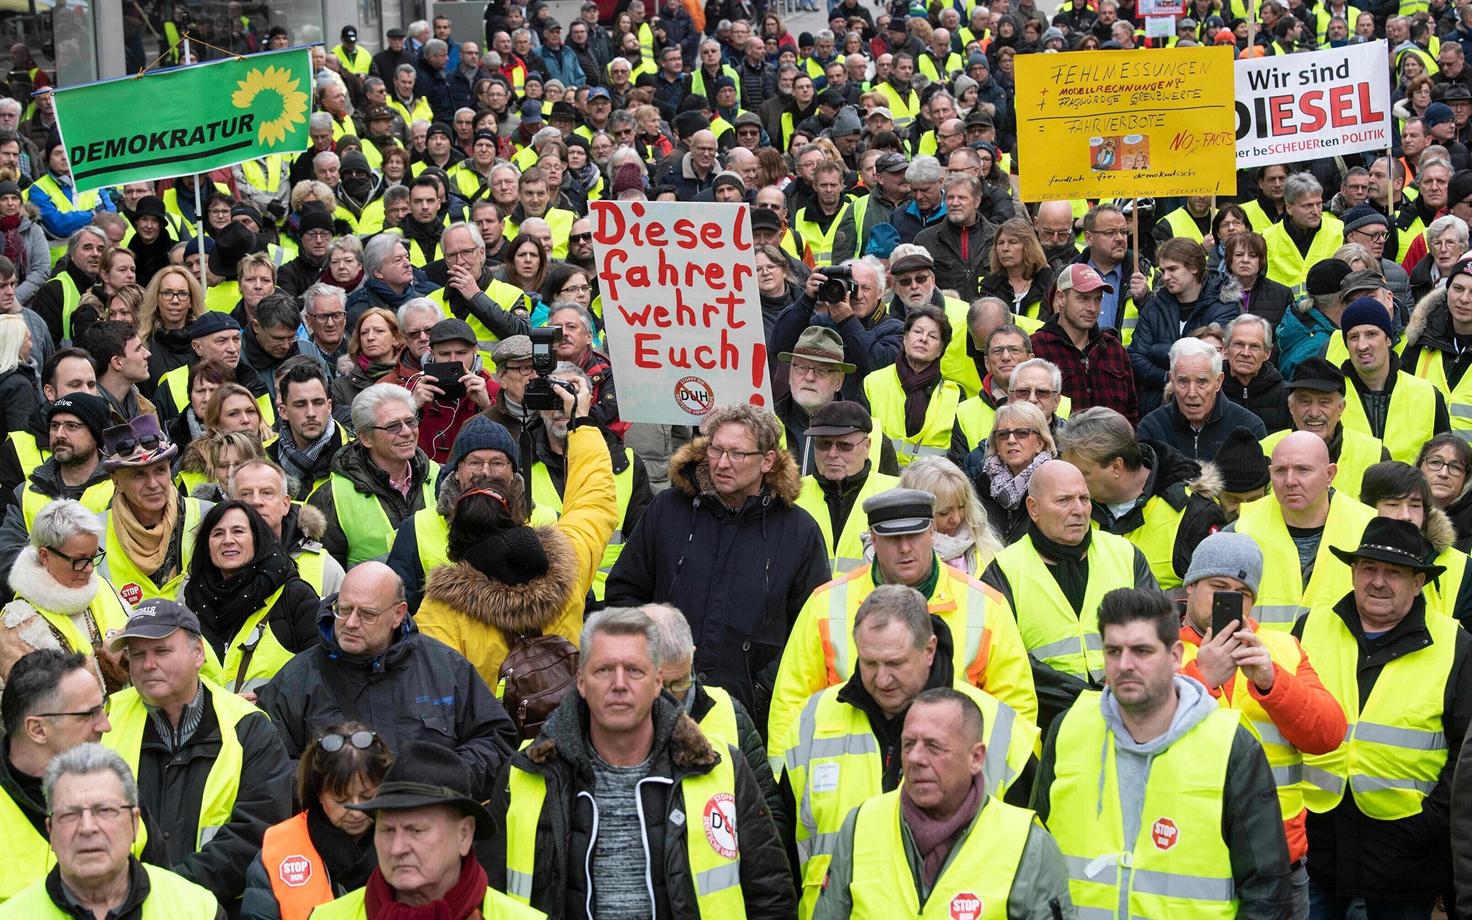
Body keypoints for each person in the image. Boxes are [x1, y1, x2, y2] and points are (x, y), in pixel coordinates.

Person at [487, 607, 795, 917]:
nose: (619, 684)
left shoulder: (722, 765)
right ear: (580, 681)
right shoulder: (524, 772)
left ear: (658, 681)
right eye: (603, 670)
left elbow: (770, 895)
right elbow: (489, 897)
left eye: (635, 670)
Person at [1033, 588, 1295, 919]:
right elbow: (1036, 861)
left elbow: (1267, 890)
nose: (1125, 665)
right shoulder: (1068, 729)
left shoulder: (1231, 746)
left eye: (1142, 651)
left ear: (1175, 656)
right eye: (1114, 651)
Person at [781, 586, 1041, 918]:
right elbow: (782, 846)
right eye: (869, 662)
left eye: (895, 663)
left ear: (929, 649)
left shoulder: (997, 727)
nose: (882, 678)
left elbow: (1033, 861)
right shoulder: (814, 719)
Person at [767, 486, 1037, 760]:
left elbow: (1015, 711)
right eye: (893, 538)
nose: (905, 548)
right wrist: (785, 788)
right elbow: (791, 705)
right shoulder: (825, 604)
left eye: (915, 535)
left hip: (953, 782)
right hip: (852, 777)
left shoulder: (986, 605)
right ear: (872, 538)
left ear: (932, 532)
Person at [606, 404, 831, 728]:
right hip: (659, 702)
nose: (722, 463)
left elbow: (809, 629)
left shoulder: (799, 532)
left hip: (753, 715)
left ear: (767, 461)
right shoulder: (667, 511)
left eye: (737, 454)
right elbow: (624, 593)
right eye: (716, 449)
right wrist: (650, 662)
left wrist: (761, 689)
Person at [1293, 517, 1472, 919]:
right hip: (1317, 846)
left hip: (1405, 858)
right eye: (1368, 569)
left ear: (1418, 582)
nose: (1378, 581)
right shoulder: (1310, 627)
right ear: (1353, 572)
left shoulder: (1455, 644)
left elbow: (1466, 752)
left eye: (1394, 573)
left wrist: (1433, 823)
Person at [1177, 532, 1348, 917]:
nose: (1229, 600)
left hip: (1278, 856)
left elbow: (1329, 734)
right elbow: (1138, 734)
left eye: (1242, 592)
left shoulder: (1282, 649)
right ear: (1190, 587)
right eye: (1218, 586)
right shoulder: (1159, 650)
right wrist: (1201, 677)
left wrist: (1272, 681)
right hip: (1190, 853)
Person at [258, 558, 515, 798]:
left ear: (398, 614)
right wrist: (333, 791)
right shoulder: (297, 678)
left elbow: (496, 739)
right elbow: (266, 765)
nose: (350, 623)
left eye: (367, 614)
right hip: (334, 835)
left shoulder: (446, 668)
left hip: (426, 827)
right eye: (343, 609)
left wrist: (440, 780)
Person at [812, 687, 1068, 920]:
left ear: (976, 758)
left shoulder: (1027, 844)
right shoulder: (861, 825)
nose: (915, 758)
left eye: (934, 746)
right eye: (908, 744)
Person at [102, 599, 293, 905]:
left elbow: (258, 831)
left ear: (198, 654)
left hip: (216, 906)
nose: (148, 664)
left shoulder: (248, 727)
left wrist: (169, 892)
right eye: (137, 654)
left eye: (161, 651)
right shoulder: (105, 720)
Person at [982, 459, 1157, 729]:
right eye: (1063, 501)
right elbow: (1006, 661)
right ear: (1034, 508)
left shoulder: (1125, 554)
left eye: (1084, 498)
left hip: (1128, 715)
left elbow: (1157, 633)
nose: (1078, 510)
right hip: (1047, 724)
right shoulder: (1004, 570)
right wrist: (1086, 699)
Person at [311, 740, 541, 919]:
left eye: (416, 831)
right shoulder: (328, 917)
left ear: (464, 834)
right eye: (387, 831)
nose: (397, 848)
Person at [0, 743, 223, 919]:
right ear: (51, 830)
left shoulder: (198, 909)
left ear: (134, 823)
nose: (87, 828)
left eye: (105, 810)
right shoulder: (11, 915)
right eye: (70, 814)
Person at [0, 651, 144, 903]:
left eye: (103, 708)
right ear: (37, 729)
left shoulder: (118, 784)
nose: (105, 725)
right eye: (89, 714)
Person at [1056, 406, 1227, 590]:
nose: (1071, 483)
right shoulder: (1066, 507)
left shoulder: (1194, 513)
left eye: (1083, 474)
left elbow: (1213, 599)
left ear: (1116, 467)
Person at [642, 603, 782, 821]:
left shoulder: (729, 712)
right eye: (654, 685)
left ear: (691, 656)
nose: (666, 699)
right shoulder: (599, 720)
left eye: (677, 684)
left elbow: (769, 813)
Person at [520, 362, 649, 598]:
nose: (562, 407)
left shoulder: (626, 464)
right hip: (542, 602)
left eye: (571, 394)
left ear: (587, 403)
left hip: (607, 603)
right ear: (539, 406)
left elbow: (645, 551)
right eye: (553, 396)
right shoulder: (520, 465)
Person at [241, 724, 392, 920]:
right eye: (341, 800)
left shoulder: (409, 844)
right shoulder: (278, 851)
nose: (356, 811)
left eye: (367, 797)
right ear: (319, 793)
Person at [1229, 431, 1378, 629]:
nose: (1290, 481)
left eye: (1303, 470)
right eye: (1280, 471)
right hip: (1261, 658)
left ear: (1330, 474)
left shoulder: (1371, 527)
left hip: (1341, 659)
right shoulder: (1238, 532)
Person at [182, 501, 320, 697]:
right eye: (218, 533)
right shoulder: (188, 603)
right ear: (206, 544)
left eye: (238, 531)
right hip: (206, 726)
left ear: (257, 538)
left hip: (273, 723)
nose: (228, 540)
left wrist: (266, 697)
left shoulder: (294, 596)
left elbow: (320, 671)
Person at [0, 499, 130, 692]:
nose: (89, 569)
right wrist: (107, 662)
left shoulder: (104, 587)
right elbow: (37, 699)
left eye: (94, 556)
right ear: (45, 556)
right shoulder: (15, 622)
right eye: (78, 560)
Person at [308, 384, 437, 567]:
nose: (407, 432)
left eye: (410, 421)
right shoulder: (330, 497)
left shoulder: (439, 475)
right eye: (392, 427)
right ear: (366, 438)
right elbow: (325, 577)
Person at [0, 391, 112, 588]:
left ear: (96, 435)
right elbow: (8, 558)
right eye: (54, 426)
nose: (59, 434)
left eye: (72, 426)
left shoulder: (119, 486)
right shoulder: (26, 493)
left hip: (114, 607)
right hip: (42, 608)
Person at [95, 415, 211, 605]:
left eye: (160, 470)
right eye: (138, 475)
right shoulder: (94, 534)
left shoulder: (209, 516)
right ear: (116, 481)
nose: (153, 484)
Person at [1129, 238, 1242, 416]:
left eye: (1173, 269)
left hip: (1209, 408)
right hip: (1159, 408)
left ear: (1194, 267)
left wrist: (1156, 351)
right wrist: (1169, 377)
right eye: (1163, 271)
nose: (1165, 277)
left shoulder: (1223, 305)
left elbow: (1212, 358)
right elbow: (1135, 358)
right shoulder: (1155, 305)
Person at [1260, 357, 1390, 504]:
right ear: (1291, 406)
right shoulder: (1263, 451)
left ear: (1341, 408)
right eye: (1305, 401)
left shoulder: (1375, 454)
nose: (1314, 412)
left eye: (1324, 402)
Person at [793, 400, 901, 575]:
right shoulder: (793, 494)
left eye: (844, 446)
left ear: (867, 447)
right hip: (810, 603)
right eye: (824, 444)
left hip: (870, 601)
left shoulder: (894, 493)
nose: (833, 454)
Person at [1337, 297, 1448, 462]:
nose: (1362, 345)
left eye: (1371, 334)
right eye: (1353, 337)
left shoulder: (1428, 395)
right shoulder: (1332, 395)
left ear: (1388, 339)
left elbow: (1445, 459)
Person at [1030, 263, 1139, 424]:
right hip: (1060, 448)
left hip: (1114, 447)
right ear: (1061, 298)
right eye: (1083, 298)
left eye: (1097, 299)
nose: (1093, 308)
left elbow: (1132, 413)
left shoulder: (1114, 349)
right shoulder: (1036, 348)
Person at [1136, 336, 1267, 462]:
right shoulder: (1152, 428)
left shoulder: (1249, 427)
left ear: (1218, 382)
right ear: (1172, 380)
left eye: (1202, 382)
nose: (1192, 393)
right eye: (1183, 381)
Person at [864, 304, 960, 467]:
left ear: (940, 349)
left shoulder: (955, 394)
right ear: (905, 337)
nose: (923, 339)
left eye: (933, 336)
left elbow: (957, 456)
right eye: (917, 332)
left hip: (932, 486)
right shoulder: (872, 382)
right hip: (881, 486)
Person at [961, 401, 1054, 546]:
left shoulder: (1054, 483)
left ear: (1040, 443)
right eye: (1003, 434)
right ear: (996, 444)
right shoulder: (977, 484)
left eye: (1022, 433)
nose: (1011, 440)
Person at [898, 456, 1005, 576]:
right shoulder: (890, 558)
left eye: (961, 507)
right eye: (944, 512)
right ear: (915, 511)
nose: (956, 519)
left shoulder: (987, 548)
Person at [1403, 253, 1472, 437]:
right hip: (1424, 461)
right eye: (1458, 288)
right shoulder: (1420, 340)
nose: (1464, 299)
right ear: (1446, 290)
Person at [268, 358, 348, 500]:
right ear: (283, 412)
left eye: (318, 403)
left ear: (329, 407)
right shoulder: (263, 457)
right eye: (300, 404)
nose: (311, 413)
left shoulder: (355, 454)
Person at [1262, 172, 1344, 292]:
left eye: (1319, 204)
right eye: (1308, 206)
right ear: (1289, 207)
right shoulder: (1267, 237)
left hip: (1329, 306)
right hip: (1283, 309)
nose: (1316, 211)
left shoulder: (1339, 229)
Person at [1221, 313, 1290, 432]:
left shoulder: (1286, 395)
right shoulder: (1211, 390)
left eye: (1254, 346)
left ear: (1267, 353)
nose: (1246, 353)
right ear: (1225, 349)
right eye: (1239, 344)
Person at [1419, 434, 1472, 549]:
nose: (1443, 473)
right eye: (1435, 462)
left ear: (1467, 479)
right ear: (1418, 466)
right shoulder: (1394, 509)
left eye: (1455, 467)